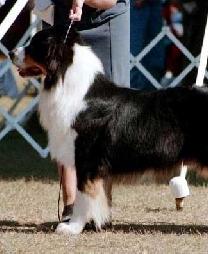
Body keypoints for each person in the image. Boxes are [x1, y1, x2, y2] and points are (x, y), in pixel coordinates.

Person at [35, 0, 130, 222]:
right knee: (64, 113)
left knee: (109, 114)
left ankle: (100, 208)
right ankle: (71, 205)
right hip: (63, 14)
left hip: (107, 17)